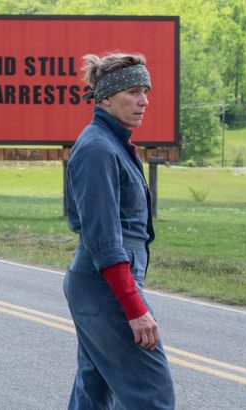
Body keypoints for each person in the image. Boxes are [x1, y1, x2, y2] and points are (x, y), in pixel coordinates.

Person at [63, 52, 175, 409]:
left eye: (146, 91)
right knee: (151, 395)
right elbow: (105, 241)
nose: (143, 101)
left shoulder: (111, 143)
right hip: (105, 288)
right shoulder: (98, 149)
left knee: (93, 393)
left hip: (99, 287)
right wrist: (135, 307)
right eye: (132, 91)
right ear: (106, 97)